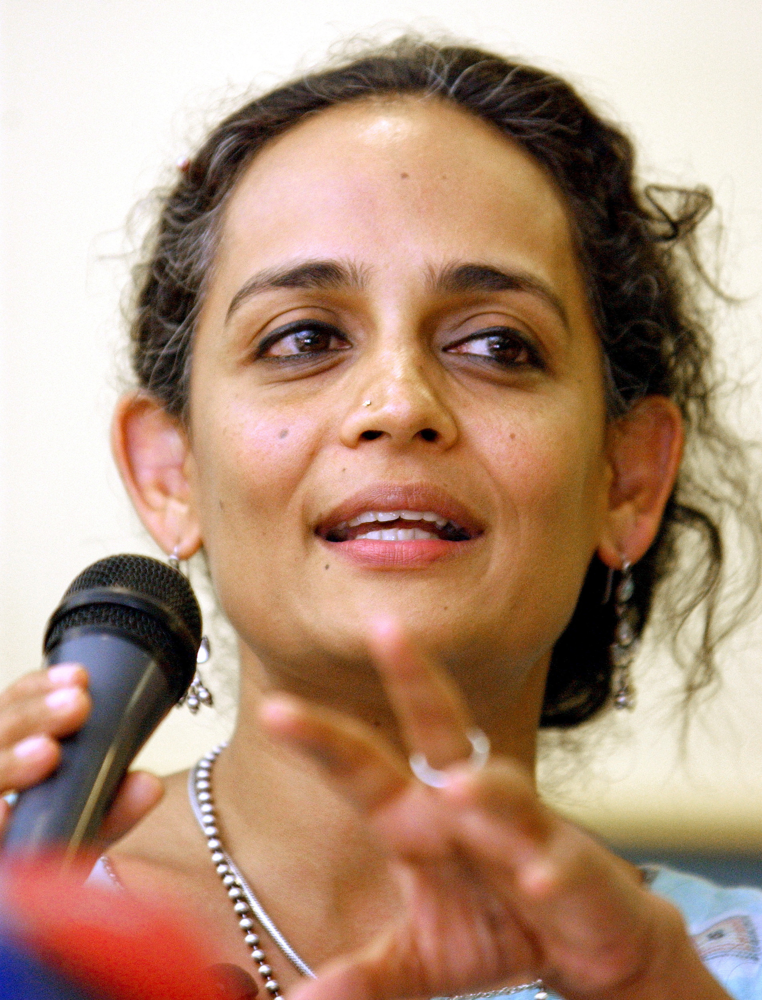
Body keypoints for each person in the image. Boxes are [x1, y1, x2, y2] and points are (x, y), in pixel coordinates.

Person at [1, 37, 761, 1000]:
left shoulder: (717, 973)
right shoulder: (23, 926)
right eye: (305, 338)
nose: (399, 402)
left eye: (497, 343)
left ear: (628, 483)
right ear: (172, 475)